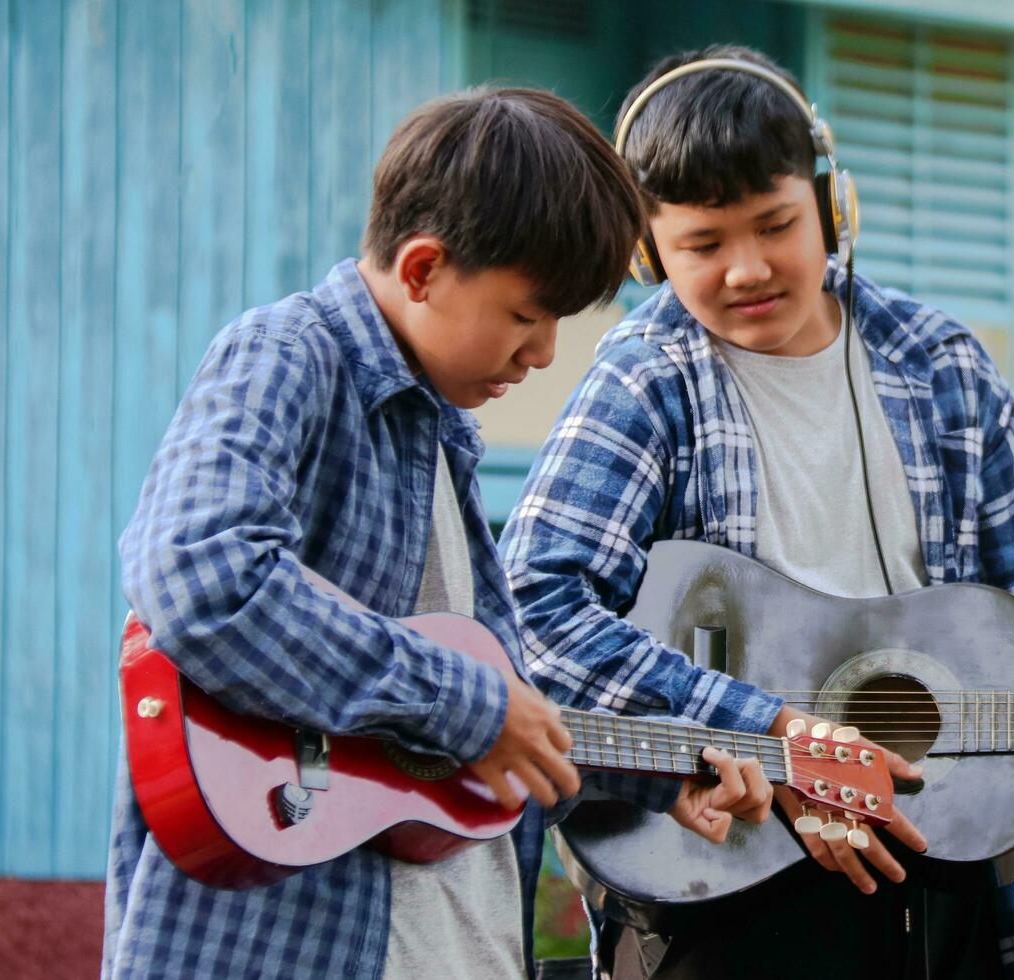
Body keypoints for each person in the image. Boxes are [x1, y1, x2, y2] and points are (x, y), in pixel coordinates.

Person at [499, 48, 1014, 978]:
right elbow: (535, 609)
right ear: (648, 250)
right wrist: (765, 733)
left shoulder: (944, 364)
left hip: (947, 888)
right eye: (703, 246)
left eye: (776, 225)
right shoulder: (644, 378)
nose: (747, 269)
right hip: (724, 889)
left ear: (832, 207)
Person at [105, 86, 768, 980]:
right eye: (528, 317)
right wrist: (473, 706)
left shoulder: (440, 436)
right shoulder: (290, 356)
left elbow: (439, 747)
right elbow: (200, 572)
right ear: (422, 270)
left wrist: (661, 770)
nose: (540, 356)